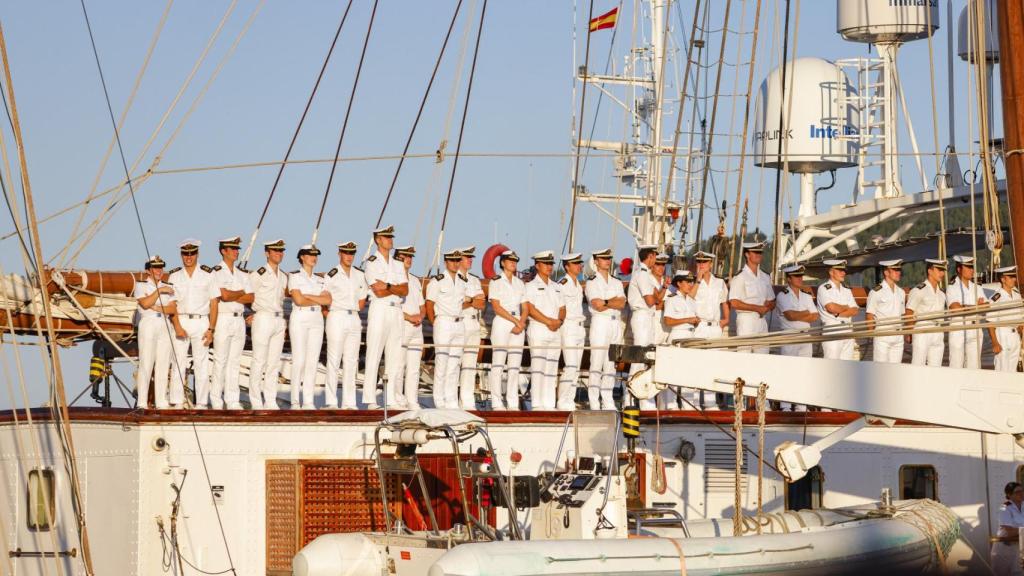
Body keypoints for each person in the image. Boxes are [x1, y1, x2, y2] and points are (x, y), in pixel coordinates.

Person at [362, 225, 409, 409]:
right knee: (374, 353)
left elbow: (405, 289)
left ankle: (390, 399)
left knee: (395, 357)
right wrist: (392, 289)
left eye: (391, 237)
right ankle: (370, 399)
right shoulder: (371, 262)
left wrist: (388, 286)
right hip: (380, 309)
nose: (390, 240)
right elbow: (377, 291)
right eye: (386, 237)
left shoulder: (398, 264)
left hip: (396, 310)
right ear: (378, 240)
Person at [167, 239, 217, 409]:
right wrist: (177, 325)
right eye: (185, 253)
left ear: (197, 254)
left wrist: (211, 329)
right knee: (178, 362)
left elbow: (214, 303)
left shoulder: (208, 274)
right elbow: (171, 303)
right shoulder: (174, 276)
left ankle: (202, 402)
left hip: (201, 321)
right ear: (181, 255)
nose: (188, 257)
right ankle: (176, 401)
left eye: (191, 253)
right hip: (181, 319)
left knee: (202, 363)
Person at [210, 236, 254, 410]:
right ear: (223, 251)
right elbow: (223, 296)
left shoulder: (242, 274)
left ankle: (232, 399)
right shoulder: (216, 272)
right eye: (233, 249)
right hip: (223, 317)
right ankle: (216, 399)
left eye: (237, 249)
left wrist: (234, 293)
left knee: (235, 361)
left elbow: (251, 297)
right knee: (220, 360)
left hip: (239, 319)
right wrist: (240, 292)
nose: (236, 251)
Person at [323, 241, 368, 409]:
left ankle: (349, 402)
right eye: (346, 253)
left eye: (352, 253)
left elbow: (363, 298)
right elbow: (325, 297)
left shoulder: (359, 274)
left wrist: (354, 307)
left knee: (351, 361)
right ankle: (331, 400)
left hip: (354, 316)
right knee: (334, 359)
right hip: (337, 315)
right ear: (339, 254)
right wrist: (330, 312)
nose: (349, 256)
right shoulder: (331, 274)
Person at [246, 239, 289, 409]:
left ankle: (270, 400)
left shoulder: (284, 276)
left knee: (274, 362)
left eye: (281, 251)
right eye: (275, 251)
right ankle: (256, 400)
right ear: (267, 253)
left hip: (279, 319)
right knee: (259, 360)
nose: (279, 253)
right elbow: (248, 295)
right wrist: (251, 313)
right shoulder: (259, 274)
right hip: (263, 317)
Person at [288, 245, 330, 409]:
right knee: (299, 359)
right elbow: (298, 300)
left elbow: (327, 300)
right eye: (310, 255)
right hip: (300, 317)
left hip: (316, 319)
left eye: (315, 255)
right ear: (302, 257)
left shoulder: (321, 279)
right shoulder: (295, 276)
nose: (314, 258)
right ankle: (294, 400)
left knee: (313, 361)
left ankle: (308, 400)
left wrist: (309, 297)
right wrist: (317, 299)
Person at [134, 255, 178, 409]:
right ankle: (142, 401)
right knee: (146, 362)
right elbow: (145, 304)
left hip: (164, 323)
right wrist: (159, 291)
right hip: (148, 322)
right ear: (148, 270)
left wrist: (157, 307)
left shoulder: (169, 285)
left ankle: (161, 400)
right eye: (155, 267)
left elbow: (172, 308)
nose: (159, 271)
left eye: (161, 267)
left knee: (163, 363)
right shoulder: (141, 285)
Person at [585, 248, 625, 411]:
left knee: (611, 364)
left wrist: (606, 302)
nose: (607, 261)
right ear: (596, 261)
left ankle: (607, 398)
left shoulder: (616, 282)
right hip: (600, 323)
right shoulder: (591, 282)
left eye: (608, 258)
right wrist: (611, 301)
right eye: (603, 258)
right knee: (597, 362)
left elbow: (622, 303)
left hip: (615, 323)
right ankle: (594, 399)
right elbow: (596, 304)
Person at [524, 250, 565, 411]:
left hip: (556, 329)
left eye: (551, 264)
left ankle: (549, 403)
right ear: (537, 265)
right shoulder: (530, 286)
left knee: (552, 367)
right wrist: (548, 321)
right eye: (546, 264)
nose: (549, 267)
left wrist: (559, 321)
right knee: (538, 366)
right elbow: (530, 308)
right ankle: (537, 403)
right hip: (539, 328)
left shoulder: (557, 287)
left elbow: (563, 308)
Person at [425, 250, 467, 408]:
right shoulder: (437, 281)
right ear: (446, 262)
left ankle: (451, 399)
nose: (456, 263)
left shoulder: (462, 281)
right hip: (443, 322)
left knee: (455, 364)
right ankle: (439, 399)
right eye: (452, 260)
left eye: (458, 260)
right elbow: (429, 303)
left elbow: (462, 303)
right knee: (442, 362)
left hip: (459, 323)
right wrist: (434, 322)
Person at [487, 250, 526, 410]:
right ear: (502, 263)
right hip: (503, 321)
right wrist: (516, 321)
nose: (513, 263)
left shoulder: (519, 283)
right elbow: (496, 306)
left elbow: (525, 306)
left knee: (515, 365)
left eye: (515, 260)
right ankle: (496, 401)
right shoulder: (495, 281)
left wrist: (522, 322)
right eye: (509, 260)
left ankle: (512, 402)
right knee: (498, 363)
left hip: (518, 322)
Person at [626, 245, 660, 409]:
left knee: (647, 359)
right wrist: (656, 297)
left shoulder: (646, 275)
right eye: (655, 256)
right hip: (641, 316)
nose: (656, 260)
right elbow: (650, 300)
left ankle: (644, 398)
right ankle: (630, 398)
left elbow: (656, 297)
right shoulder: (642, 275)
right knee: (639, 358)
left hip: (648, 317)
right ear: (650, 256)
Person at [729, 241, 775, 354]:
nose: (758, 255)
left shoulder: (765, 276)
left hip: (762, 320)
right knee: (745, 357)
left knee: (763, 356)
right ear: (747, 254)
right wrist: (757, 308)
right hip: (746, 320)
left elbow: (772, 300)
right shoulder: (740, 276)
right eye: (755, 252)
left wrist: (767, 307)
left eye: (760, 252)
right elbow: (734, 302)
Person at [663, 270, 699, 409]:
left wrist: (695, 321)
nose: (690, 284)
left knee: (689, 371)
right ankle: (671, 404)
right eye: (686, 281)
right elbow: (668, 321)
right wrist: (688, 319)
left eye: (691, 281)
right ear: (678, 283)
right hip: (677, 335)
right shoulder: (671, 299)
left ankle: (688, 404)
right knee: (673, 371)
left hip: (690, 336)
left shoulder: (691, 301)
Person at [396, 246, 425, 409]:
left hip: (417, 327)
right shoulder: (394, 279)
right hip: (402, 324)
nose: (409, 259)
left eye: (410, 257)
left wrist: (420, 316)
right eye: (405, 256)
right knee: (399, 364)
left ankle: (412, 399)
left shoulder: (414, 280)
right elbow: (393, 305)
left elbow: (421, 304)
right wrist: (409, 317)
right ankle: (398, 399)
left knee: (414, 367)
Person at [947, 255, 988, 369]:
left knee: (974, 367)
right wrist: (976, 306)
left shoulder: (977, 287)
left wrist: (966, 307)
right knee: (956, 365)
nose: (972, 270)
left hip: (975, 330)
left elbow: (987, 306)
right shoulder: (952, 287)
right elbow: (955, 308)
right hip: (959, 330)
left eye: (972, 267)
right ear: (959, 269)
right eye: (968, 267)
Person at [906, 258, 947, 367]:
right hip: (922, 330)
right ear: (930, 271)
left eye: (943, 271)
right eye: (939, 270)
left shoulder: (942, 293)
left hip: (938, 331)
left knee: (936, 368)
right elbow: (909, 312)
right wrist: (909, 332)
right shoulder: (919, 290)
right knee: (918, 365)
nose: (942, 273)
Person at [557, 253, 586, 411]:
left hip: (580, 327)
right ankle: (562, 400)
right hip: (568, 326)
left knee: (577, 367)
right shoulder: (562, 283)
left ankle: (570, 398)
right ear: (567, 266)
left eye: (579, 263)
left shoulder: (578, 284)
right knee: (571, 365)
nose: (579, 266)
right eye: (575, 263)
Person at [458, 246, 486, 410]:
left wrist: (469, 300)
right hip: (460, 322)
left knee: (470, 365)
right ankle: (452, 399)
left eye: (471, 257)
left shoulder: (474, 280)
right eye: (467, 257)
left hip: (474, 323)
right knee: (454, 364)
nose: (470, 260)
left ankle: (467, 400)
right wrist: (471, 300)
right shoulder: (454, 279)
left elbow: (481, 303)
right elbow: (456, 303)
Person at [816, 259, 859, 360]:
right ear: (831, 272)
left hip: (848, 330)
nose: (843, 273)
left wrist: (839, 313)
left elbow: (855, 310)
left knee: (847, 367)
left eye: (844, 270)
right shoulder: (823, 288)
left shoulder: (847, 290)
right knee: (831, 367)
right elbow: (831, 308)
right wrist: (846, 307)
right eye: (840, 270)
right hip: (832, 330)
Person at [865, 259, 906, 363]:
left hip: (898, 335)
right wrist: (872, 334)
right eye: (895, 270)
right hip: (883, 334)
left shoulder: (901, 292)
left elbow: (902, 315)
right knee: (881, 369)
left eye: (899, 270)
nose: (898, 272)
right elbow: (869, 315)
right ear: (886, 272)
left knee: (896, 369)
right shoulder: (876, 292)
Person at [776, 264, 819, 358]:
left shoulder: (807, 295)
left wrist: (798, 315)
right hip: (790, 336)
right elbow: (790, 316)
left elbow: (815, 316)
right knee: (789, 368)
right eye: (796, 276)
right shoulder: (782, 295)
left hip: (806, 336)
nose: (800, 278)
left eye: (801, 276)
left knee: (806, 367)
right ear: (789, 279)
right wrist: (806, 312)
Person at [988, 266, 1022, 373]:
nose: (1014, 279)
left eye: (1014, 277)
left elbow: (1021, 319)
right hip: (1003, 335)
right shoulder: (997, 297)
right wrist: (995, 343)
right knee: (1002, 369)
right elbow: (990, 322)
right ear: (1003, 279)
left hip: (1015, 336)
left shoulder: (1017, 296)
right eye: (1010, 277)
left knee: (1013, 370)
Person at [692, 251, 729, 339]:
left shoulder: (719, 282)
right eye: (699, 262)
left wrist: (726, 319)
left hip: (715, 327)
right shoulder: (691, 282)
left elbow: (725, 302)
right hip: (699, 327)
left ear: (711, 264)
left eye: (704, 262)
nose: (701, 265)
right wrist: (698, 280)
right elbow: (688, 299)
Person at [991, 481, 1024, 576]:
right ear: (1009, 495)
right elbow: (1009, 532)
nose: (1021, 493)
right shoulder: (1004, 508)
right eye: (1017, 492)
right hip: (1005, 549)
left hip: (1020, 547)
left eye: (1022, 491)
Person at [651, 253, 670, 346]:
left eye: (663, 265)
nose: (661, 268)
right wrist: (670, 305)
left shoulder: (668, 282)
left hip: (667, 325)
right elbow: (655, 304)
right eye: (657, 264)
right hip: (653, 323)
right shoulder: (647, 281)